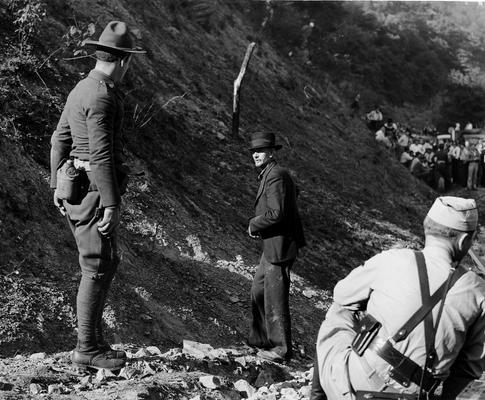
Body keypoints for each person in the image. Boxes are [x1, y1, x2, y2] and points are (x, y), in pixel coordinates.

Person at [311, 196, 485, 400]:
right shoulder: (478, 290)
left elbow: (341, 294)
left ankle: (318, 395)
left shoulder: (391, 259)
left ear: (427, 228)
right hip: (419, 395)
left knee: (339, 311)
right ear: (464, 240)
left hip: (359, 386)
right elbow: (470, 367)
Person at [50, 21, 145, 370]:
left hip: (78, 188)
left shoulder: (81, 88)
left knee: (107, 261)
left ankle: (93, 339)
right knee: (96, 265)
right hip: (92, 193)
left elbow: (59, 139)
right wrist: (111, 204)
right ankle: (86, 347)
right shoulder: (102, 96)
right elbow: (101, 156)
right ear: (122, 61)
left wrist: (54, 184)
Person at [246, 131, 306, 362]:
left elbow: (277, 213)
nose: (256, 155)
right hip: (273, 245)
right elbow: (291, 197)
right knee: (258, 290)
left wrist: (254, 224)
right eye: (253, 151)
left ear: (271, 153)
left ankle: (280, 350)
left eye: (260, 151)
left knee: (274, 297)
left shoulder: (276, 175)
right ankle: (260, 340)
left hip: (280, 246)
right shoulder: (272, 174)